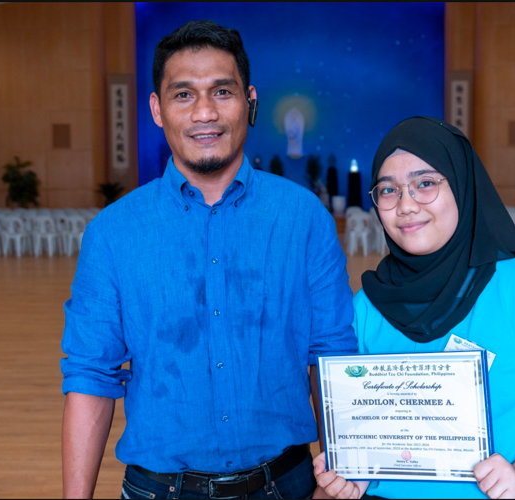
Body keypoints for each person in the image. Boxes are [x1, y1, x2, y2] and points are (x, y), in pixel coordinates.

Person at [61, 20, 356, 499]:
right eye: (183, 95)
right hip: (159, 489)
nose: (205, 112)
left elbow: (332, 355)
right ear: (157, 109)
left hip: (288, 485)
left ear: (250, 100)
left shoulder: (304, 219)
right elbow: (90, 377)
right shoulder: (113, 233)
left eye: (222, 91)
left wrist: (343, 477)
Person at [313, 117, 515, 499]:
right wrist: (352, 470)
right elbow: (361, 421)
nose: (406, 205)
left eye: (426, 184)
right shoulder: (367, 306)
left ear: (463, 186)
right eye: (388, 190)